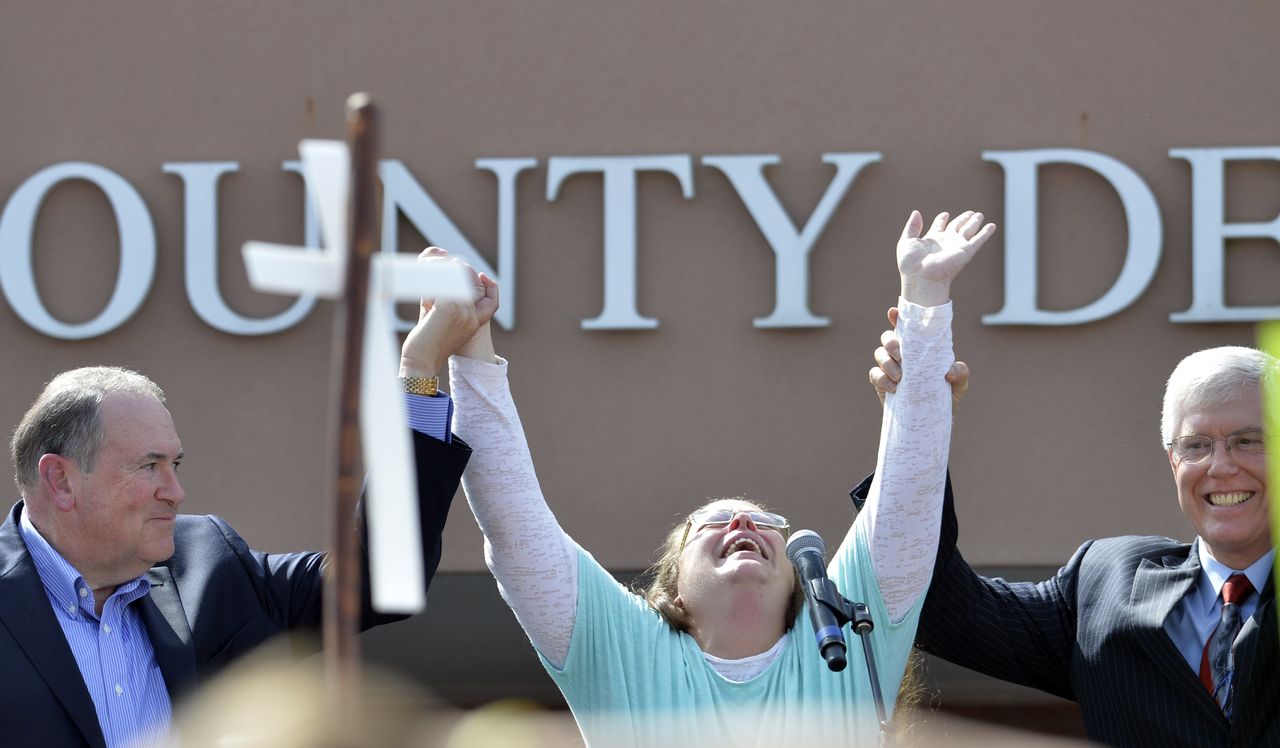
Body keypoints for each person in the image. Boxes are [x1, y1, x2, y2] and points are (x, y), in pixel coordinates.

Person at [443, 210, 996, 746]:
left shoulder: (849, 641)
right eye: (710, 522)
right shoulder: (622, 650)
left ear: (800, 586)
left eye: (766, 523)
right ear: (674, 592)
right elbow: (516, 526)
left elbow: (907, 498)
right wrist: (469, 345)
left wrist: (924, 301)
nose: (741, 521)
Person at [0, 247, 496, 748]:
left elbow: (384, 577)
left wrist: (420, 369)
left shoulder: (209, 568)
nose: (175, 492)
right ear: (61, 480)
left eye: (176, 465)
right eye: (149, 466)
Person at [863, 321, 1278, 745]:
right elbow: (939, 604)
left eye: (1249, 441)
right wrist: (917, 427)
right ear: (1174, 463)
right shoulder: (1106, 586)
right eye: (1196, 445)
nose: (1221, 466)